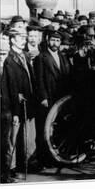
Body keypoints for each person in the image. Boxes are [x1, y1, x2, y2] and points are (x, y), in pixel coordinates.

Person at [32, 30, 72, 171]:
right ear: (48, 40)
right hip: (47, 99)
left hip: (60, 101)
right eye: (53, 40)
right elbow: (39, 80)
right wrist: (43, 97)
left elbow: (67, 77)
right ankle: (43, 160)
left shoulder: (63, 57)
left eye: (58, 41)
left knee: (57, 130)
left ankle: (56, 158)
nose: (55, 43)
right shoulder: (41, 58)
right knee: (43, 130)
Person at [0, 28, 35, 182]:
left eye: (24, 37)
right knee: (11, 141)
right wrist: (14, 110)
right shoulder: (10, 59)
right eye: (20, 37)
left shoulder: (24, 56)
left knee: (20, 139)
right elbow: (11, 87)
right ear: (12, 39)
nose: (24, 39)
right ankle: (8, 171)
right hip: (14, 106)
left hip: (24, 104)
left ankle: (18, 168)